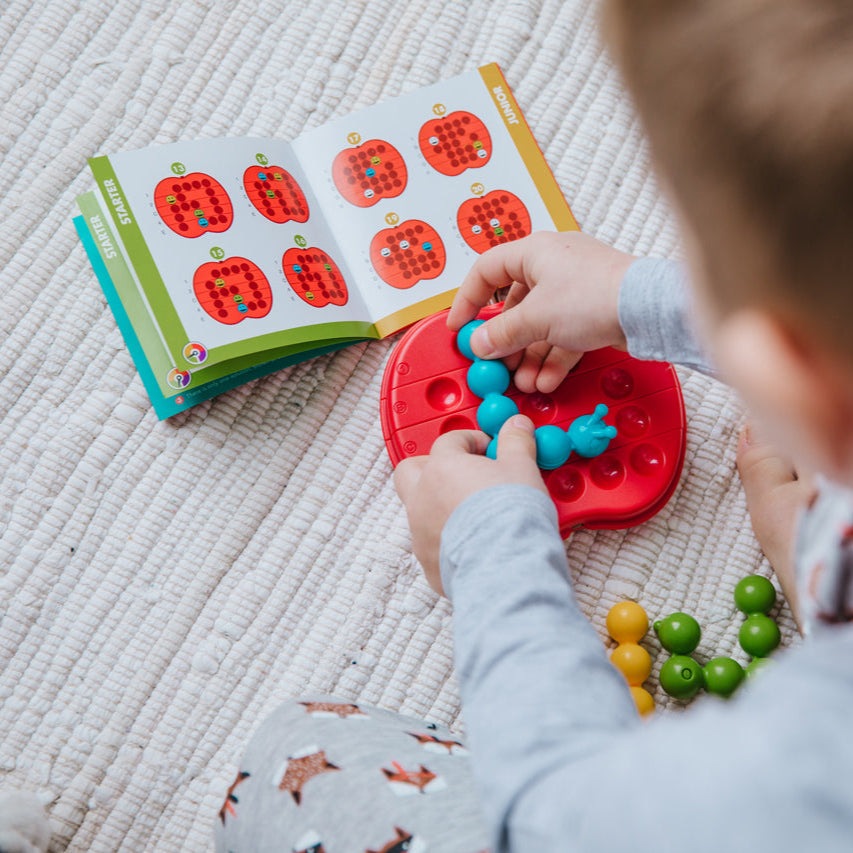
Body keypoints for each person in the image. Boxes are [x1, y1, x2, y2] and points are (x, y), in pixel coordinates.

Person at [213, 1, 853, 850]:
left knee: (295, 762)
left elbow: (562, 818)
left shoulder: (798, 771)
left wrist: (491, 554)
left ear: (790, 375)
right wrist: (642, 297)